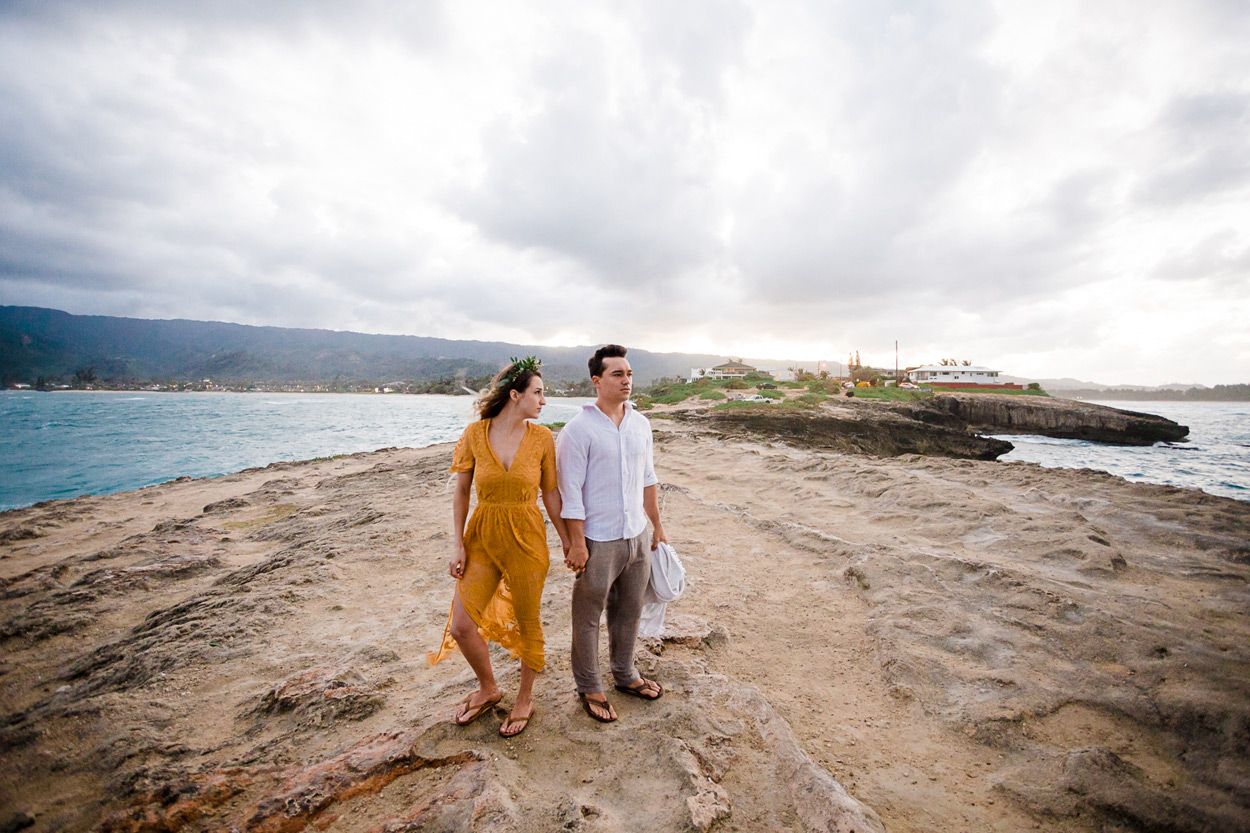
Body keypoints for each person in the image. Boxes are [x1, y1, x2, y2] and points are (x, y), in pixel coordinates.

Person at [428, 357, 570, 738]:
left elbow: (551, 493)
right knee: (461, 624)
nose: (544, 400)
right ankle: (489, 688)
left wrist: (570, 541)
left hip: (527, 537)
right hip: (483, 536)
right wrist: (456, 544)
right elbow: (460, 491)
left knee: (528, 623)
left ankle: (524, 698)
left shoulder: (542, 439)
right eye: (538, 393)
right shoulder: (476, 433)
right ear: (515, 395)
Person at [557, 344, 668, 723]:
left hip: (636, 533)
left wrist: (657, 526)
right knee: (587, 614)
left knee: (629, 611)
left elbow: (648, 480)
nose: (627, 381)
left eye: (630, 374)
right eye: (618, 374)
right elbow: (570, 494)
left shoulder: (641, 424)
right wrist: (576, 543)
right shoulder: (577, 430)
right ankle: (589, 684)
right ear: (596, 381)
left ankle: (624, 673)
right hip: (598, 538)